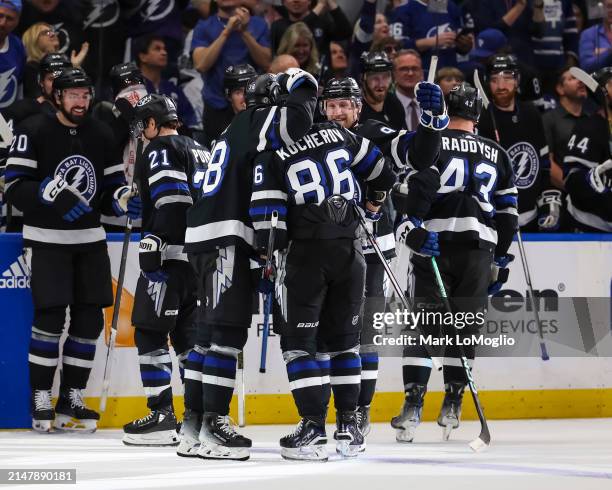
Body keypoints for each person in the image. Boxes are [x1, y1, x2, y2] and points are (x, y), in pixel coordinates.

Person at [249, 93, 396, 463]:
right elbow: (385, 173)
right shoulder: (341, 136)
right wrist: (372, 205)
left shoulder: (273, 152)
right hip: (350, 252)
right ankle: (349, 427)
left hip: (306, 256)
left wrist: (267, 264)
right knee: (346, 344)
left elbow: (270, 225)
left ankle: (313, 428)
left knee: (299, 345)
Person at [180, 68, 318, 461]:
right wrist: (300, 81)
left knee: (206, 338)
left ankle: (192, 426)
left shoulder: (232, 128)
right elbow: (299, 119)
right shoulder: (259, 120)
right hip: (226, 237)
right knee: (225, 337)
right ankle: (214, 427)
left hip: (205, 237)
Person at [4, 67, 141, 433]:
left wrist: (122, 199)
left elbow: (112, 184)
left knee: (88, 321)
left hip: (89, 239)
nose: (80, 102)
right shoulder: (34, 130)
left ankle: (72, 395)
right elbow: (14, 186)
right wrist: (46, 194)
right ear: (57, 97)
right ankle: (41, 396)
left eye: (85, 95)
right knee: (49, 320)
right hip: (47, 240)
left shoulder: (101, 132)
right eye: (73, 95)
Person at [319, 75, 446, 442]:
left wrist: (430, 120)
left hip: (373, 247)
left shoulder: (373, 132)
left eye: (345, 105)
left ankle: (360, 410)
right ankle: (336, 409)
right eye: (332, 105)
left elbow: (419, 155)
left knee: (364, 335)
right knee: (331, 335)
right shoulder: (314, 138)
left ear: (358, 108)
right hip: (327, 246)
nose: (338, 112)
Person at [391, 83, 518, 442]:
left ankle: (413, 407)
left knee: (424, 326)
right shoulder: (498, 152)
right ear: (477, 114)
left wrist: (411, 226)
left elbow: (416, 189)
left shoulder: (432, 142)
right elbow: (508, 214)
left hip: (435, 242)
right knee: (464, 327)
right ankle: (453, 403)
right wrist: (501, 258)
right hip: (480, 249)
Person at [122, 94, 209, 446]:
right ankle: (197, 415)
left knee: (149, 331)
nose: (142, 132)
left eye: (144, 124)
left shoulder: (159, 148)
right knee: (189, 339)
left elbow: (174, 202)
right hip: (201, 261)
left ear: (155, 123)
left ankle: (161, 415)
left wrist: (154, 240)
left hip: (170, 258)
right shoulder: (199, 147)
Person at [477, 55, 559, 232]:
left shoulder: (531, 113)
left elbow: (543, 162)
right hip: (495, 217)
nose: (501, 86)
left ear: (517, 80)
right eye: (494, 80)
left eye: (507, 78)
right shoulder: (482, 119)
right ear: (487, 82)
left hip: (531, 214)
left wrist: (547, 198)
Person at [1, 52, 70, 232]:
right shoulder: (19, 112)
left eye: (64, 78)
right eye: (51, 79)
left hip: (66, 206)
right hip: (24, 209)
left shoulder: (83, 118)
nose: (57, 85)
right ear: (40, 81)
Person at [191, 0, 271, 147]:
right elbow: (201, 65)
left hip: (252, 102)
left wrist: (244, 32)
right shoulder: (204, 26)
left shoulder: (259, 24)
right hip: (216, 105)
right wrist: (227, 31)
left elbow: (266, 62)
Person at [92, 62, 148, 233]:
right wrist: (124, 118)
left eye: (136, 83)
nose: (133, 91)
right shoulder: (104, 116)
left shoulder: (158, 114)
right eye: (126, 85)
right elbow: (105, 151)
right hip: (114, 214)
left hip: (149, 216)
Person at [562, 66, 612, 232]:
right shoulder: (587, 128)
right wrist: (589, 179)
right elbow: (572, 181)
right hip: (589, 227)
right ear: (602, 93)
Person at [135, 35, 200, 135]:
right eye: (157, 49)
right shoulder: (135, 89)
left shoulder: (173, 89)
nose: (164, 52)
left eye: (164, 49)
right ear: (143, 57)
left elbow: (190, 120)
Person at [542, 67, 589, 190]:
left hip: (593, 191)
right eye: (573, 78)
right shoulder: (549, 119)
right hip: (562, 191)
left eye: (582, 79)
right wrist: (575, 188)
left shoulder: (592, 119)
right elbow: (547, 162)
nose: (581, 81)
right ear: (560, 89)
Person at [270, 0, 352, 56]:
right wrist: (320, 5)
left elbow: (346, 32)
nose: (296, 0)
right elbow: (296, 30)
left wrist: (331, 3)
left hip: (320, 77)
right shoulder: (277, 26)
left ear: (310, 1)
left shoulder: (323, 22)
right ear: (283, 2)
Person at [359, 51, 406, 130]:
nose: (381, 84)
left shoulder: (394, 104)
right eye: (374, 77)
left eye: (385, 77)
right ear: (363, 78)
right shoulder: (356, 111)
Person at [20, 22, 60, 98]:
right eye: (46, 33)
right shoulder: (30, 68)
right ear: (33, 40)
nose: (53, 34)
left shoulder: (60, 65)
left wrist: (75, 65)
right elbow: (38, 101)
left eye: (53, 31)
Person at [0, 0, 26, 109]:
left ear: (17, 22)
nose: (2, 23)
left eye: (9, 18)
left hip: (8, 119)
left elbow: (19, 84)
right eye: (0, 16)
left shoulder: (17, 45)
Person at [393, 49, 424, 132]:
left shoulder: (432, 106)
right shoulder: (385, 105)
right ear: (394, 74)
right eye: (404, 69)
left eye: (415, 68)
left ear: (422, 73)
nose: (410, 73)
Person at [578, 0, 612, 72]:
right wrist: (609, 51)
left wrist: (602, 52)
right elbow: (586, 66)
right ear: (601, 8)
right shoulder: (589, 34)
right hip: (600, 81)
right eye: (609, 6)